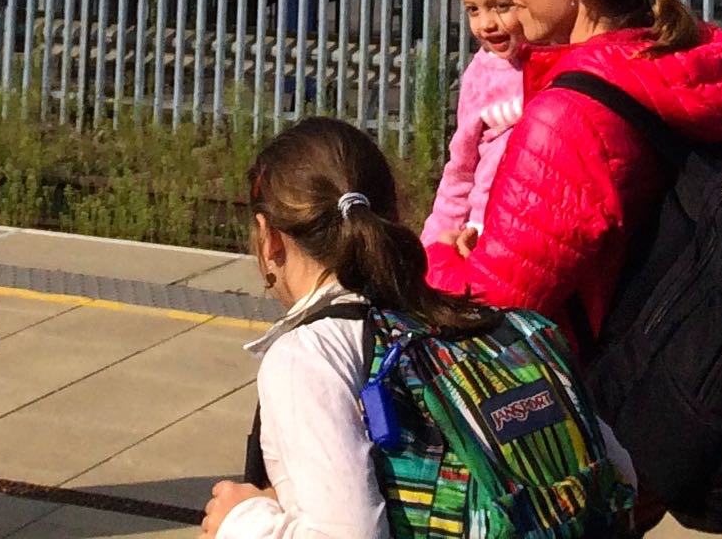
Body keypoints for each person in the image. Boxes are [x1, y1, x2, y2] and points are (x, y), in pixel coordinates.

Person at [202, 115, 632, 539]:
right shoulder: (476, 325)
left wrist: (241, 521)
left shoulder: (309, 357)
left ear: (269, 238)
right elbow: (621, 472)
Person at [424, 0, 722, 338]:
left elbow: (492, 304)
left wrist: (438, 258)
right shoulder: (668, 64)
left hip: (591, 368)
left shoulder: (570, 117)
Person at [422, 0, 524, 255]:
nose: (486, 23)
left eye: (501, 6)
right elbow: (460, 171)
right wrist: (433, 246)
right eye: (473, 10)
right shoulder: (480, 77)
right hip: (482, 231)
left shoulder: (553, 58)